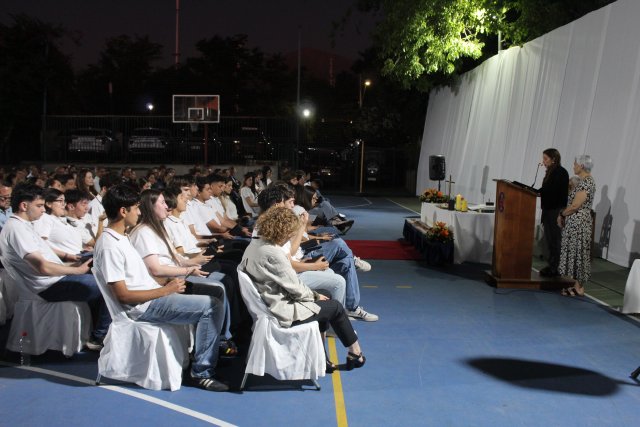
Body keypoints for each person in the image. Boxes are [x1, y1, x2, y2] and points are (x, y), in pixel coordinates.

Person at [93, 184, 228, 391]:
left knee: (213, 299)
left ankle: (203, 355)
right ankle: (202, 372)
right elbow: (123, 295)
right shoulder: (110, 245)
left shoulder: (121, 237)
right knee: (212, 306)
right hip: (143, 307)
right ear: (123, 211)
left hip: (152, 299)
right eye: (136, 208)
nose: (139, 212)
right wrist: (166, 290)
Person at [240, 206, 366, 372]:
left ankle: (322, 358)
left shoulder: (256, 245)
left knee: (326, 296)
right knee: (335, 307)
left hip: (269, 303)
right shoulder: (273, 253)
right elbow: (296, 288)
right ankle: (355, 353)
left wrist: (316, 296)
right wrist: (314, 296)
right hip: (281, 311)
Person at [0, 184, 109, 349]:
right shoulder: (16, 229)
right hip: (49, 286)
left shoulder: (21, 226)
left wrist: (70, 259)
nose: (43, 210)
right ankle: (98, 337)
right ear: (24, 205)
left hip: (53, 280)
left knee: (99, 276)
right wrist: (76, 270)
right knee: (108, 287)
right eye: (39, 206)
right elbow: (42, 267)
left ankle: (98, 332)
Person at [558, 155, 596, 297]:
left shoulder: (587, 182)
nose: (573, 166)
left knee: (580, 252)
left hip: (580, 223)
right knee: (574, 251)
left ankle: (579, 287)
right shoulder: (582, 181)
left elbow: (575, 205)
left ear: (581, 166)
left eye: (575, 164)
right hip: (575, 222)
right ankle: (575, 284)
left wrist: (562, 214)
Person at [538, 148, 569, 277]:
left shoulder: (560, 172)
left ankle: (556, 267)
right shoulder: (550, 172)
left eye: (545, 158)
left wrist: (542, 192)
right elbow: (546, 189)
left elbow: (554, 191)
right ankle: (551, 265)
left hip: (555, 210)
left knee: (555, 240)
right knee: (549, 239)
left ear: (553, 159)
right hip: (548, 210)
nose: (543, 161)